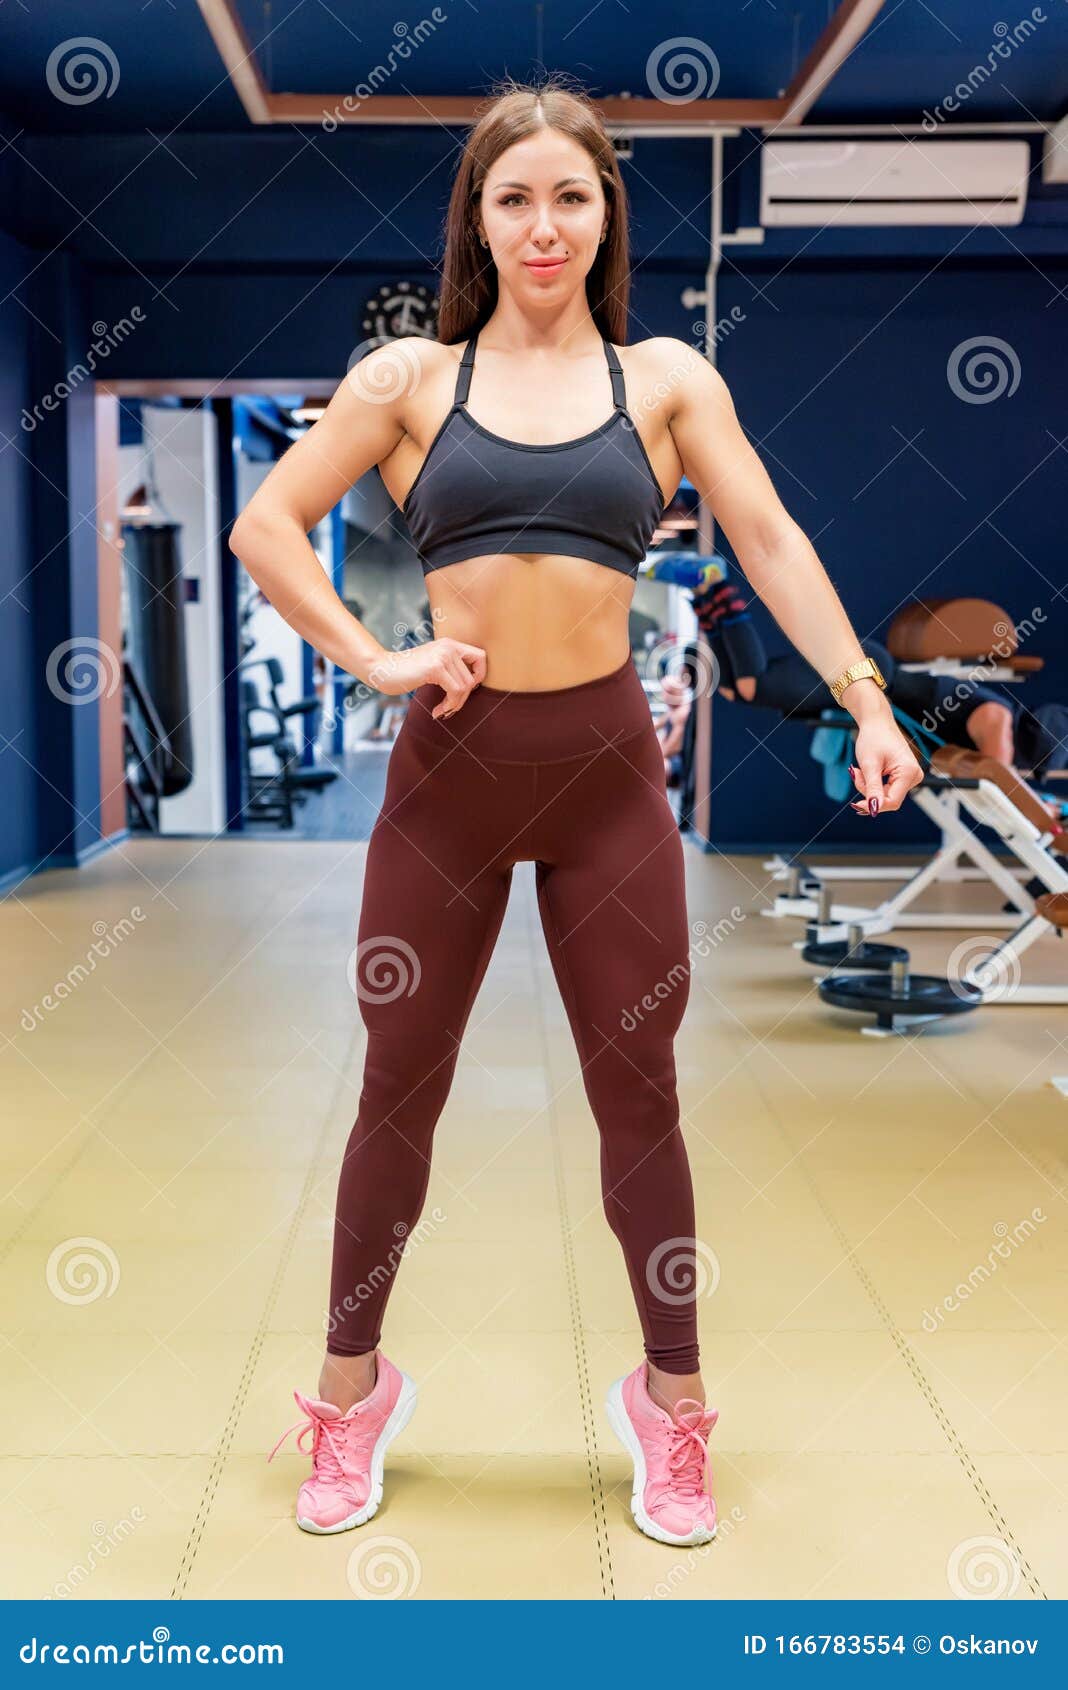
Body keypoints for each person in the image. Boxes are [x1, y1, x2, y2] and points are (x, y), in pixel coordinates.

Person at [230, 75, 923, 1549]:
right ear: (475, 221)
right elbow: (263, 525)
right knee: (395, 1093)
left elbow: (772, 535)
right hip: (449, 775)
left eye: (572, 195)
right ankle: (351, 1395)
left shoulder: (666, 379)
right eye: (512, 197)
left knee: (640, 1092)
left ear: (607, 213)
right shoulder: (407, 382)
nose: (543, 224)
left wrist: (868, 695)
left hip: (609, 777)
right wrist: (371, 654)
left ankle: (672, 1412)